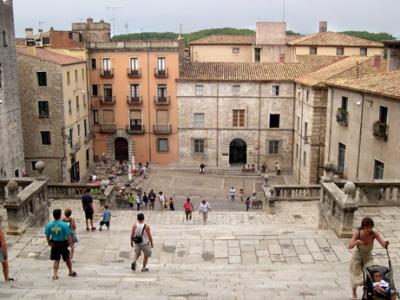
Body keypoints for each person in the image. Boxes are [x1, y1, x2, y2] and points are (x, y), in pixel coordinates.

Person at [348, 217, 389, 300]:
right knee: (355, 276)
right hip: (357, 257)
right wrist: (356, 242)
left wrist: (386, 244)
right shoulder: (358, 233)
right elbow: (350, 245)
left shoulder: (374, 234)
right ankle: (354, 292)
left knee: (370, 275)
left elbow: (382, 244)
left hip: (368, 257)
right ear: (363, 227)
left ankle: (366, 293)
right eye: (367, 228)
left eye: (370, 227)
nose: (369, 229)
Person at [44, 209, 77, 280]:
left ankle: (55, 275)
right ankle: (70, 272)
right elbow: (68, 236)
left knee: (56, 260)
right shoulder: (64, 225)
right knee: (67, 259)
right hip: (63, 243)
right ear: (60, 215)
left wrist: (49, 242)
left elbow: (47, 235)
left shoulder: (49, 224)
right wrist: (71, 244)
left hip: (55, 243)